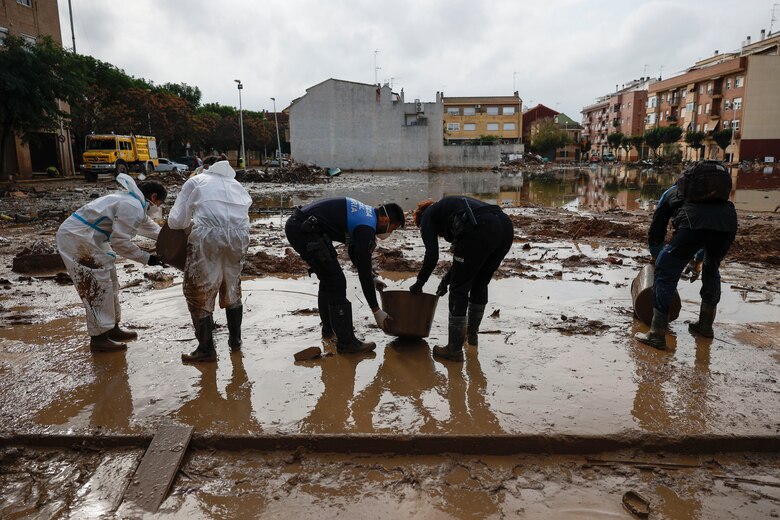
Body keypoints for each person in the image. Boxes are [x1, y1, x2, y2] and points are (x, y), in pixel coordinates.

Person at [56, 174, 166, 352]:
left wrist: (173, 241)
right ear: (153, 197)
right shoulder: (132, 206)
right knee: (97, 287)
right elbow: (120, 243)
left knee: (111, 282)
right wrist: (148, 259)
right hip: (77, 238)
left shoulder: (135, 204)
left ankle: (112, 328)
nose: (159, 208)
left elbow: (155, 230)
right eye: (160, 203)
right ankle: (99, 338)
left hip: (91, 238)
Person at [635, 161, 737, 350]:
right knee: (711, 267)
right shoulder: (716, 196)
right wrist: (698, 260)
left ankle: (656, 334)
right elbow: (707, 236)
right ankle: (705, 326)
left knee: (666, 271)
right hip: (727, 223)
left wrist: (658, 258)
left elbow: (656, 231)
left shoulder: (670, 194)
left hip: (693, 223)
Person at [284, 197, 405, 354]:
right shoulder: (366, 227)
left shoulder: (367, 214)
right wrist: (376, 310)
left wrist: (372, 276)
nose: (390, 232)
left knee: (329, 278)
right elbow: (362, 270)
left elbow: (353, 251)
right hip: (303, 230)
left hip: (301, 225)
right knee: (337, 281)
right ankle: (346, 343)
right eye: (392, 228)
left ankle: (329, 329)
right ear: (385, 220)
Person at [409, 196, 514, 362]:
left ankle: (454, 349)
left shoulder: (427, 217)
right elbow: (467, 262)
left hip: (482, 227)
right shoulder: (449, 208)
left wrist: (420, 282)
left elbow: (432, 255)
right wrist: (447, 278)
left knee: (459, 289)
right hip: (504, 226)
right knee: (480, 282)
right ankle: (471, 337)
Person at [168, 159, 252, 362]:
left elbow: (176, 221)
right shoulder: (236, 185)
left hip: (207, 236)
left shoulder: (196, 181)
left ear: (204, 167)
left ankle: (206, 349)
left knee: (198, 290)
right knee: (231, 285)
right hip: (240, 236)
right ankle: (235, 341)